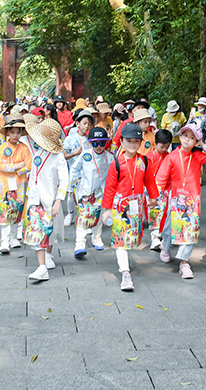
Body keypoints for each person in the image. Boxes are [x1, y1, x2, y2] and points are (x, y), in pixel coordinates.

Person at [101, 123, 160, 291]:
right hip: (119, 207)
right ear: (122, 141)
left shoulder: (144, 161)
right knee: (120, 241)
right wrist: (106, 210)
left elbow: (150, 181)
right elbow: (110, 187)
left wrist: (154, 198)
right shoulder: (117, 163)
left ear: (141, 142)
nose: (132, 145)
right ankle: (125, 273)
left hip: (137, 206)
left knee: (131, 240)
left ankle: (124, 265)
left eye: (136, 141)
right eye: (128, 141)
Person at [155, 124, 206, 279]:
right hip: (175, 199)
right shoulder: (172, 156)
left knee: (190, 230)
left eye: (192, 137)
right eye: (185, 136)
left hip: (192, 201)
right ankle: (166, 247)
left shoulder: (198, 155)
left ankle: (184, 262)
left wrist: (202, 144)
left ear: (196, 141)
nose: (188, 140)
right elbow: (161, 178)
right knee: (169, 227)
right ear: (180, 137)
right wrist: (156, 195)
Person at [23, 118, 69, 281]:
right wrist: (28, 197)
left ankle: (47, 257)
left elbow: (64, 180)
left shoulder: (58, 157)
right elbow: (33, 176)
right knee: (38, 233)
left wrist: (59, 200)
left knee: (49, 231)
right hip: (35, 201)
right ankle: (42, 267)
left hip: (50, 200)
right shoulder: (38, 153)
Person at [69, 127, 115, 257]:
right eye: (95, 143)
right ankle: (80, 243)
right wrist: (74, 183)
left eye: (102, 143)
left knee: (99, 217)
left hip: (102, 192)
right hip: (86, 192)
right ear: (90, 143)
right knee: (83, 217)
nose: (99, 146)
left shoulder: (110, 157)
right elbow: (74, 169)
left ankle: (97, 238)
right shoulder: (85, 155)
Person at [0, 117, 31, 254]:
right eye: (12, 132)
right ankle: (4, 240)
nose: (15, 135)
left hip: (20, 183)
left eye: (18, 132)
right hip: (5, 184)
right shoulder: (3, 147)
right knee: (5, 209)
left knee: (18, 209)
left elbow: (28, 165)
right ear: (8, 134)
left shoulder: (24, 148)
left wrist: (15, 169)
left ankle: (14, 236)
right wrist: (16, 166)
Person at [63, 109, 94, 227]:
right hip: (73, 172)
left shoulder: (90, 140)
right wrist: (74, 154)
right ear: (78, 124)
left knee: (86, 194)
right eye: (85, 123)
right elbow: (64, 156)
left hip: (87, 172)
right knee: (71, 194)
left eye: (89, 124)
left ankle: (85, 216)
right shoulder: (70, 139)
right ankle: (70, 214)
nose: (87, 126)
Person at [148, 129, 173, 251]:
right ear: (156, 143)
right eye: (162, 146)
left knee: (165, 213)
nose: (164, 149)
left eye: (167, 147)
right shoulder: (148, 157)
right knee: (156, 212)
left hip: (167, 189)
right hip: (153, 190)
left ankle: (160, 235)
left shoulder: (170, 157)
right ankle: (155, 237)